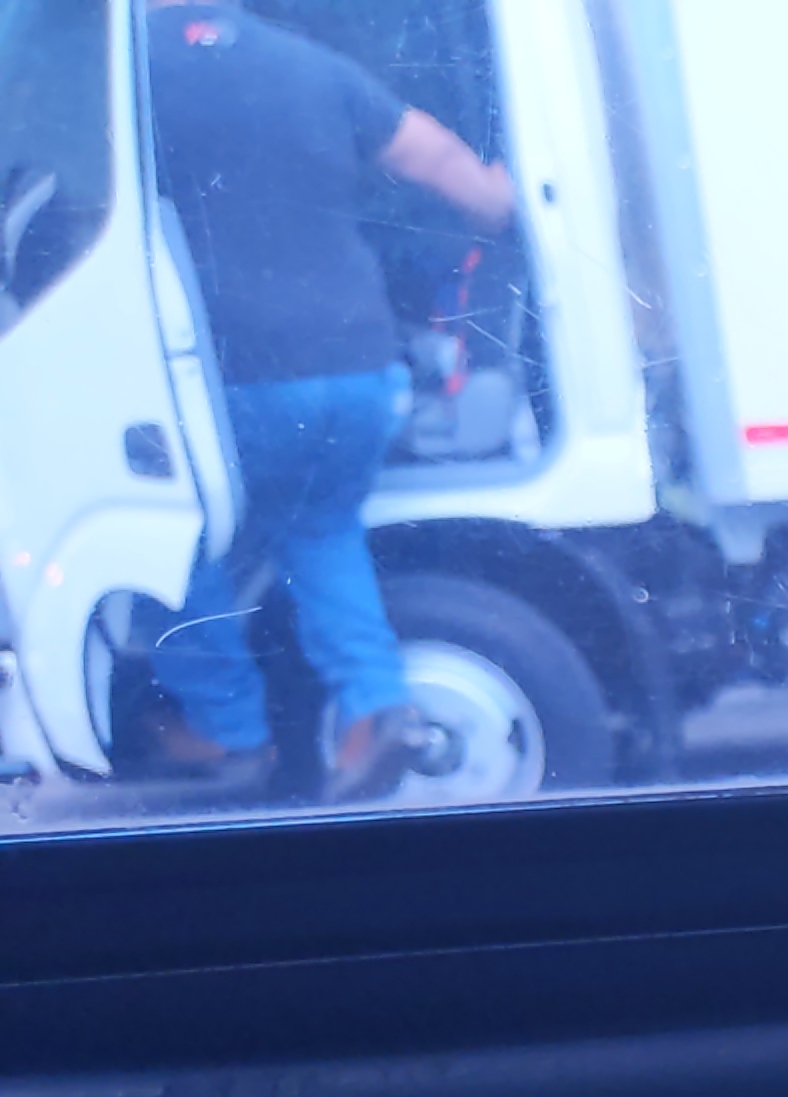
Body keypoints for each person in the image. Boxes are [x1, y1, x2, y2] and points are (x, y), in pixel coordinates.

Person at [135, 0, 514, 806]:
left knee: (167, 535)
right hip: (360, 366)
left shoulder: (127, 69)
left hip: (235, 376)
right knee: (321, 530)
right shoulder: (308, 64)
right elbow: (431, 152)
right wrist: (494, 200)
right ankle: (376, 710)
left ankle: (227, 726)